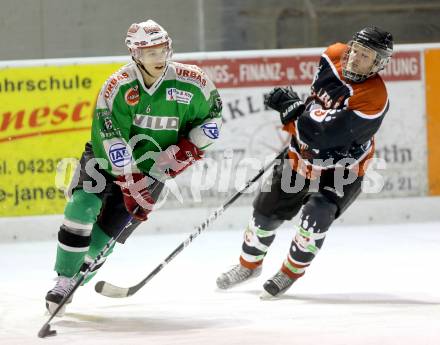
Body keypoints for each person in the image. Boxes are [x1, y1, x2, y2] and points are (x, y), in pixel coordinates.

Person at [45, 19, 222, 315]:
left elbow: (213, 121)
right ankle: (63, 279)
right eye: (150, 53)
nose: (159, 58)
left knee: (106, 237)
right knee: (82, 206)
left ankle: (78, 278)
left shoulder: (193, 82)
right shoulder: (118, 86)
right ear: (134, 55)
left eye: (162, 50)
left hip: (152, 169)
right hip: (105, 159)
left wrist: (186, 150)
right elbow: (112, 141)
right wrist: (130, 186)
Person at [216, 26, 393, 297]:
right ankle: (249, 265)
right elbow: (315, 105)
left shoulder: (374, 99)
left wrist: (291, 113)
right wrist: (294, 107)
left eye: (365, 55)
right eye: (355, 49)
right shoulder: (332, 55)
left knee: (317, 214)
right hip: (303, 158)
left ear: (378, 64)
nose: (354, 57)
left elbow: (325, 136)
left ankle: (289, 273)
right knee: (265, 212)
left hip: (343, 169)